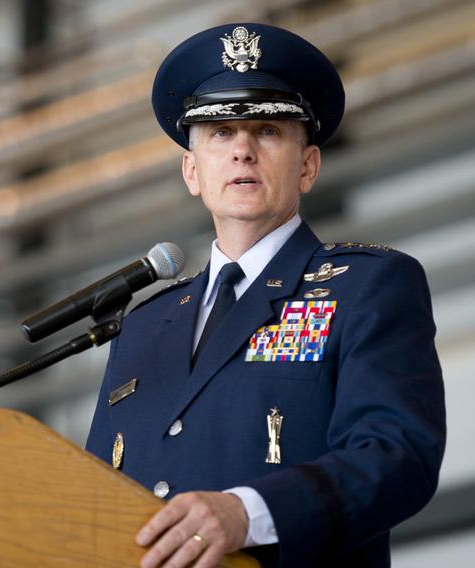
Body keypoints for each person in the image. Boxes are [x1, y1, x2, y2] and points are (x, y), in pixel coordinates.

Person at [85, 22, 446, 568]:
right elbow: (89, 497)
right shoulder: (142, 325)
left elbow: (397, 456)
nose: (243, 152)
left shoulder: (366, 286)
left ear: (308, 165)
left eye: (269, 131)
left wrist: (245, 514)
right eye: (221, 134)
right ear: (192, 170)